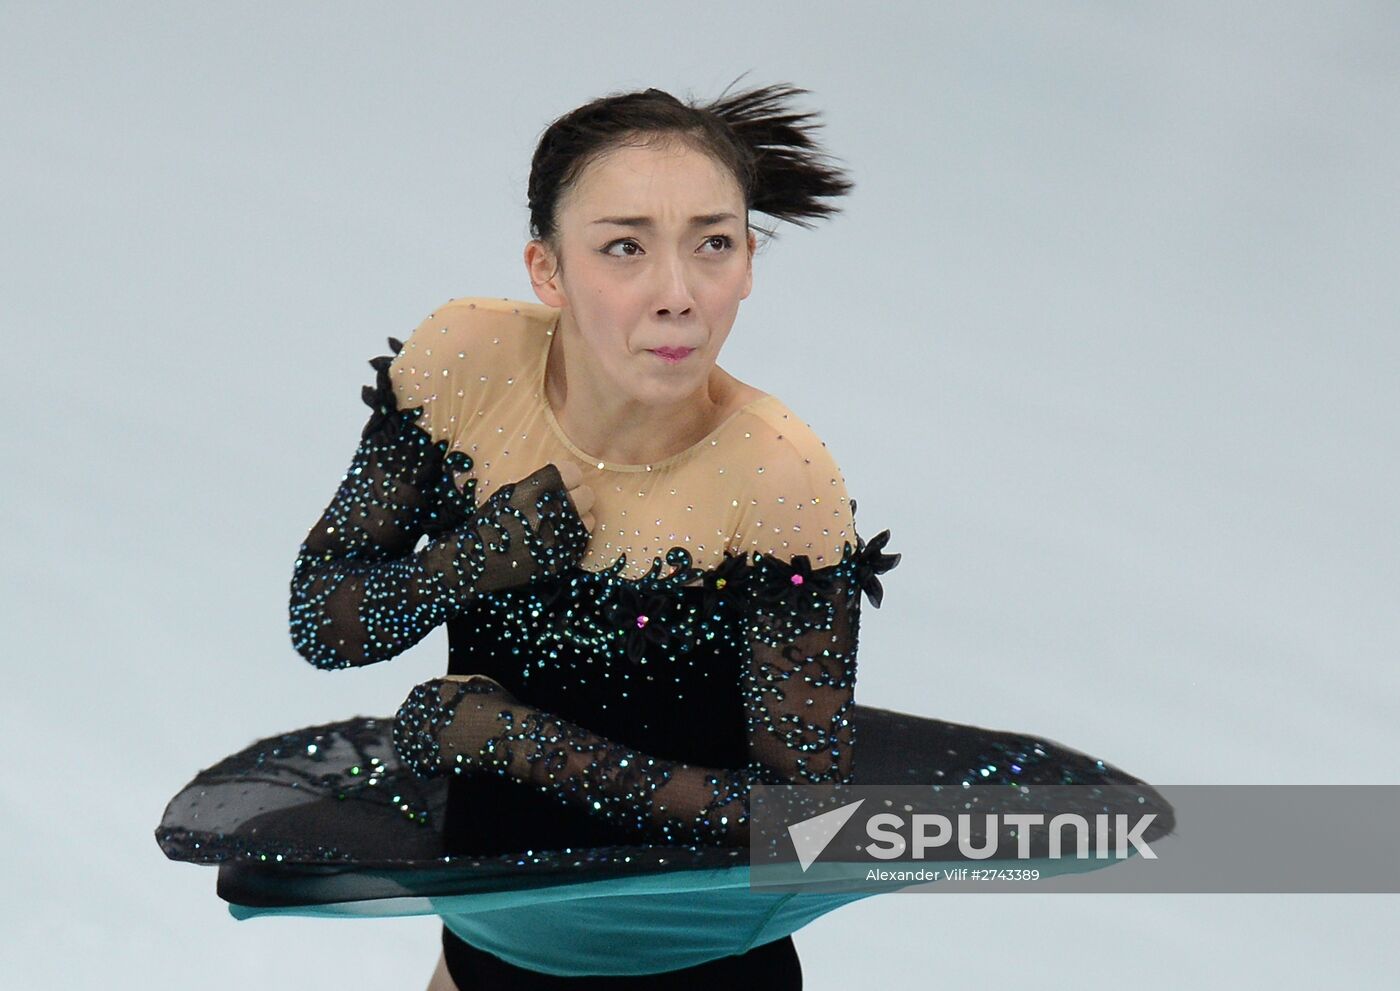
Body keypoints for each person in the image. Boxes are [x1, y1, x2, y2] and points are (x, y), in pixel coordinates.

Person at [155, 80, 1174, 990]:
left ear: (746, 266)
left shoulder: (779, 476)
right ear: (545, 270)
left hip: (690, 962)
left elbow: (801, 827)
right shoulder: (466, 363)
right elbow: (325, 620)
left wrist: (517, 744)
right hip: (489, 946)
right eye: (624, 246)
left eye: (712, 242)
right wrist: (468, 563)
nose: (676, 291)